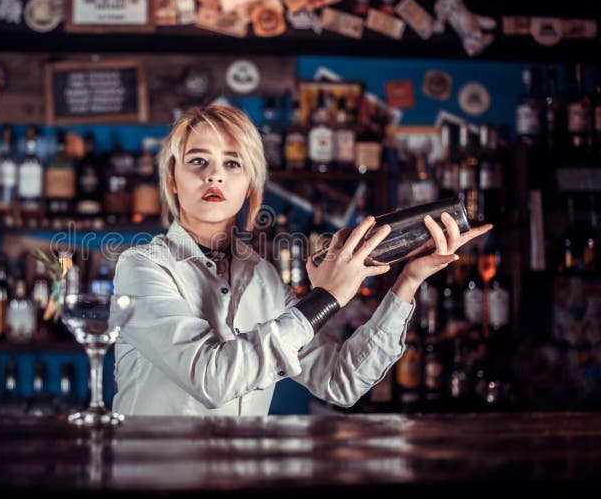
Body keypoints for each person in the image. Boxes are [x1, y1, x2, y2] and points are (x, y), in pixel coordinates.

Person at [111, 104, 491, 416]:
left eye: (232, 164)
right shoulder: (143, 267)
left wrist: (407, 281)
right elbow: (213, 381)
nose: (214, 175)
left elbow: (340, 382)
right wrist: (325, 297)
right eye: (197, 161)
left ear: (250, 186)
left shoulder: (263, 278)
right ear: (173, 180)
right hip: (158, 481)